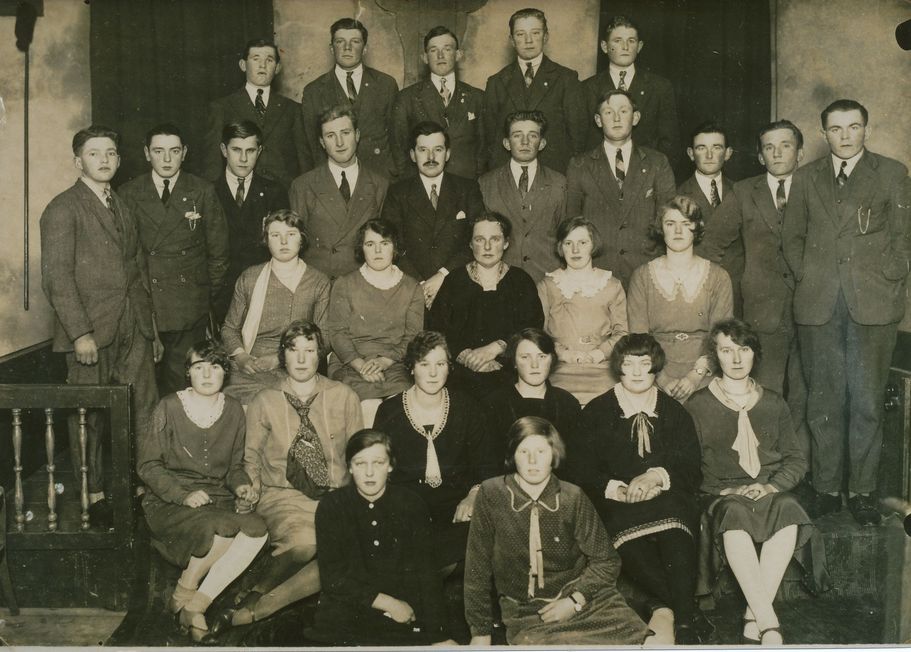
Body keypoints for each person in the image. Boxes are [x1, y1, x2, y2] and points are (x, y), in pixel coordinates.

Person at [782, 99, 910, 525]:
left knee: (867, 402)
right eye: (836, 129)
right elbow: (792, 238)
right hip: (819, 306)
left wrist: (889, 276)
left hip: (872, 305)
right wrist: (810, 276)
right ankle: (825, 489)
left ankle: (862, 492)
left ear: (866, 130)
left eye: (854, 127)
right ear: (823, 134)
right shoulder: (805, 177)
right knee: (823, 401)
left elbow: (904, 237)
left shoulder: (892, 173)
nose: (845, 136)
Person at [40, 125, 163, 527]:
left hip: (134, 325)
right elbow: (56, 278)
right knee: (88, 415)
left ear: (120, 159)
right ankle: (91, 495)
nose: (104, 160)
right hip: (91, 331)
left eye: (110, 152)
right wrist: (80, 333)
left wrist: (150, 330)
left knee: (142, 409)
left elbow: (138, 270)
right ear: (78, 161)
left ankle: (139, 488)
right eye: (94, 153)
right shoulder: (63, 208)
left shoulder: (122, 205)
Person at [213, 320, 363, 631]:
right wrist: (250, 492)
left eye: (310, 350)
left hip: (335, 496)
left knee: (345, 551)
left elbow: (359, 456)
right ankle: (257, 595)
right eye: (294, 351)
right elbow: (251, 458)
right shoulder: (264, 400)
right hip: (283, 496)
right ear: (283, 355)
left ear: (320, 354)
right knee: (306, 542)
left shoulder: (344, 396)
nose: (302, 359)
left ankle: (257, 603)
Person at [686, 319, 820, 646]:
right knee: (734, 511)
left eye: (743, 349)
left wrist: (771, 487)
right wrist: (724, 489)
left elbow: (796, 459)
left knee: (789, 507)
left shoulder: (773, 402)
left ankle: (754, 615)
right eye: (726, 350)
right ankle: (769, 621)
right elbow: (687, 467)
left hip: (766, 489)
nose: (736, 359)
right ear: (715, 356)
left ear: (754, 354)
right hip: (720, 494)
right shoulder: (697, 404)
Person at [463, 416, 649, 646]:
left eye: (541, 451)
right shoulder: (491, 494)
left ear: (554, 454)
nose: (532, 460)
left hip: (586, 600)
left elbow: (607, 561)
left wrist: (575, 600)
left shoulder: (572, 497)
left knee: (637, 642)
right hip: (527, 611)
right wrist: (480, 633)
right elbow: (477, 568)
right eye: (523, 451)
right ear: (512, 456)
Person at [572, 333, 707, 645]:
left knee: (676, 521)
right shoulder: (596, 411)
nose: (635, 372)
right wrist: (618, 489)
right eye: (628, 364)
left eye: (644, 364)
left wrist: (655, 477)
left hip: (667, 497)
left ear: (655, 367)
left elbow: (691, 469)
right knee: (617, 524)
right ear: (618, 367)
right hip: (617, 502)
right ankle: (686, 616)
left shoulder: (674, 412)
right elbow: (580, 469)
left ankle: (678, 617)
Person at [137, 342, 268, 642]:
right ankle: (185, 596)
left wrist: (242, 485)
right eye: (199, 367)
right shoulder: (169, 407)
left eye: (215, 367)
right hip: (169, 500)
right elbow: (148, 465)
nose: (207, 375)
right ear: (188, 373)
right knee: (222, 529)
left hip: (217, 498)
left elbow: (234, 466)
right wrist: (183, 494)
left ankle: (195, 602)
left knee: (258, 530)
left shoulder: (233, 409)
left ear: (225, 373)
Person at [701, 119, 810, 463]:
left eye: (786, 145)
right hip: (763, 309)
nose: (777, 153)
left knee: (807, 392)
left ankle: (799, 467)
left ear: (800, 152)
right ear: (760, 156)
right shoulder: (745, 192)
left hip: (813, 308)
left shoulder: (815, 187)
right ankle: (765, 466)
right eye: (769, 147)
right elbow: (712, 244)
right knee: (766, 390)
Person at [311, 429, 456, 646]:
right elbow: (333, 578)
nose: (369, 473)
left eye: (378, 463)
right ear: (349, 467)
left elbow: (427, 572)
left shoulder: (411, 504)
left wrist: (439, 635)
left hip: (403, 612)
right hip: (348, 612)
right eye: (360, 463)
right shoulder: (332, 506)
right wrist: (388, 603)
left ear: (390, 466)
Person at [121, 123, 229, 396]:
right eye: (159, 151)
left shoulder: (202, 190)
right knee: (145, 386)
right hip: (147, 304)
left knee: (182, 383)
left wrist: (201, 294)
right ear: (147, 153)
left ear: (185, 153)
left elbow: (218, 253)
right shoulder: (129, 193)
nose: (167, 159)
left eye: (174, 151)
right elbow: (127, 256)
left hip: (188, 306)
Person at [373, 330, 496, 571]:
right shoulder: (390, 411)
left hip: (455, 508)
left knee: (480, 531)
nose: (433, 373)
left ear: (449, 367)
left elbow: (487, 464)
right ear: (411, 368)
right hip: (407, 509)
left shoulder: (467, 407)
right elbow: (380, 469)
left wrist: (473, 496)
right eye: (424, 364)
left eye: (440, 364)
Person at [627, 195, 733, 402]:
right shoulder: (642, 276)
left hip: (704, 373)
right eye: (670, 223)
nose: (678, 231)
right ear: (661, 228)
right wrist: (662, 378)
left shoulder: (719, 277)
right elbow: (638, 337)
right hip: (653, 371)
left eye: (686, 223)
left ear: (697, 228)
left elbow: (721, 339)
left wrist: (695, 377)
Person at [566, 89, 676, 287]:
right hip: (597, 272)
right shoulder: (580, 165)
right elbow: (572, 222)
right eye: (608, 112)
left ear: (636, 117)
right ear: (598, 120)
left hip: (647, 271)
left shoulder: (657, 162)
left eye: (623, 111)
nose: (616, 118)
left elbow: (669, 220)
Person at [428, 212, 544, 398]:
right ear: (470, 244)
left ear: (506, 243)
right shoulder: (454, 280)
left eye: (495, 239)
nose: (487, 247)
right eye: (480, 240)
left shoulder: (521, 280)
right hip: (461, 370)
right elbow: (437, 328)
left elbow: (532, 327)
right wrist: (469, 357)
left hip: (511, 368)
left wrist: (496, 348)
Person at [221, 209, 330, 404]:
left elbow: (325, 337)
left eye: (291, 234)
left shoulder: (318, 281)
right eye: (275, 235)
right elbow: (229, 328)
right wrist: (241, 357)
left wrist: (280, 358)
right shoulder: (250, 277)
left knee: (276, 399)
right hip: (249, 364)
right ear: (266, 240)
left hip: (295, 363)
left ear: (302, 239)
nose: (283, 242)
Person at [327, 219, 424, 425]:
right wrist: (361, 365)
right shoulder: (345, 284)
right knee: (368, 407)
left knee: (400, 409)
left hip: (394, 364)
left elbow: (413, 336)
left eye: (384, 243)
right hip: (351, 363)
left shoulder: (412, 287)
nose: (377, 251)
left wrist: (385, 361)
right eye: (370, 244)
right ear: (361, 249)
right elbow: (337, 333)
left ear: (394, 247)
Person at [381, 121, 485, 308]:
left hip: (458, 287)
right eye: (423, 150)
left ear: (448, 154)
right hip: (411, 289)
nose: (431, 157)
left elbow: (478, 239)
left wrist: (443, 275)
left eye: (438, 149)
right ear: (413, 155)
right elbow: (391, 244)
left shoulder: (467, 189)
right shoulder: (397, 193)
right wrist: (422, 285)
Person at [483, 7, 588, 175]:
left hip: (554, 173)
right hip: (508, 174)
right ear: (512, 40)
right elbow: (490, 139)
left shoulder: (566, 79)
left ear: (546, 36)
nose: (528, 40)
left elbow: (578, 137)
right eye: (520, 34)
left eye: (535, 33)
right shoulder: (496, 82)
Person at [289, 105, 389, 280]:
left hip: (364, 283)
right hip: (318, 283)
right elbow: (294, 246)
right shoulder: (303, 186)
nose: (339, 142)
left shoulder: (379, 184)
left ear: (357, 135)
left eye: (345, 133)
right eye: (330, 136)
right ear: (322, 142)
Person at [537, 217, 627, 405]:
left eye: (582, 243)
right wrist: (564, 354)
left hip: (603, 368)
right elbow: (539, 333)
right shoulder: (548, 285)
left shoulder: (612, 285)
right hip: (560, 368)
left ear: (593, 245)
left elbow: (623, 332)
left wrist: (599, 354)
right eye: (568, 243)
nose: (575, 250)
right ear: (561, 247)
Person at [299, 18, 399, 179]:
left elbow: (397, 138)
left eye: (355, 41)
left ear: (365, 49)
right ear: (332, 48)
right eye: (340, 41)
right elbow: (310, 144)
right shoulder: (314, 91)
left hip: (380, 176)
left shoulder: (386, 84)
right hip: (335, 178)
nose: (347, 47)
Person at [212, 120, 291, 323]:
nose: (243, 158)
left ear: (260, 151)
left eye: (251, 150)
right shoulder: (208, 192)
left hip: (264, 291)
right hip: (220, 296)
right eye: (236, 150)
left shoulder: (275, 192)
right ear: (224, 150)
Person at [202, 38, 306, 190]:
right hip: (240, 192)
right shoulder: (221, 107)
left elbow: (303, 160)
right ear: (243, 65)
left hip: (283, 192)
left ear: (277, 67)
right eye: (256, 59)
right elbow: (212, 163)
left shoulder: (293, 109)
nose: (262, 65)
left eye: (269, 60)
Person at [582, 16, 680, 167]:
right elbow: (583, 141)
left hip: (647, 173)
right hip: (600, 172)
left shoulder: (660, 87)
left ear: (639, 46)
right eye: (617, 41)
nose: (625, 47)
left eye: (631, 41)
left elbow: (669, 142)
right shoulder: (587, 88)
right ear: (604, 46)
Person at [479, 110, 566, 282]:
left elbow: (565, 235)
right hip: (502, 280)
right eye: (517, 135)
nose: (525, 142)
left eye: (532, 136)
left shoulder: (559, 182)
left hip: (548, 279)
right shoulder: (486, 183)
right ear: (506, 143)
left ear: (542, 143)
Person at [392, 25, 486, 180]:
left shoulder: (477, 97)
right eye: (433, 50)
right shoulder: (407, 98)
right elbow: (399, 149)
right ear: (425, 57)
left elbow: (483, 148)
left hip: (466, 185)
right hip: (422, 184)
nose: (440, 55)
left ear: (458, 55)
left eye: (447, 49)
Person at [482, 328, 583, 458]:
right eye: (525, 357)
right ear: (514, 362)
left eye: (542, 356)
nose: (535, 365)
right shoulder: (493, 404)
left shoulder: (567, 403)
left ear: (552, 360)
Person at [677, 122, 743, 315]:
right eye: (701, 148)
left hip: (736, 292)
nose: (709, 155)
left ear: (728, 153)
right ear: (691, 153)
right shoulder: (677, 194)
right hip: (694, 290)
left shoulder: (742, 191)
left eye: (716, 147)